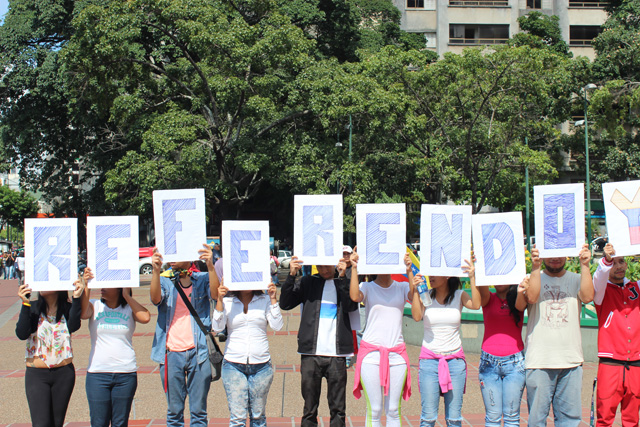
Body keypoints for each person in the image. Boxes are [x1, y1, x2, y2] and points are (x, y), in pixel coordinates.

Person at [279, 255, 358, 427]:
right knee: (309, 409)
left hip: (336, 354)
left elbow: (351, 306)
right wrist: (291, 276)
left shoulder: (343, 280)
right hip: (311, 353)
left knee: (338, 410)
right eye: (319, 266)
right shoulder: (308, 282)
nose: (324, 270)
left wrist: (344, 278)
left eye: (327, 266)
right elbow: (285, 303)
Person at [149, 243, 219, 427]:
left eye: (176, 253)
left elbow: (215, 295)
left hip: (199, 353)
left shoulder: (203, 278)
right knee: (174, 413)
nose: (171, 257)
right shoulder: (165, 281)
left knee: (199, 413)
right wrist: (156, 272)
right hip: (171, 353)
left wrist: (211, 266)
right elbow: (156, 299)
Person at [524, 244, 594, 427]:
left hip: (570, 360)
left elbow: (587, 297)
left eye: (560, 254)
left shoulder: (577, 279)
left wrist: (585, 265)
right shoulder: (532, 277)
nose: (555, 258)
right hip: (540, 360)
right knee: (536, 420)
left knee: (569, 421)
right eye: (551, 254)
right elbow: (531, 298)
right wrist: (535, 267)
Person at [410, 257, 481, 427]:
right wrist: (414, 290)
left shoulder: (459, 295)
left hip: (455, 361)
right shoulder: (425, 296)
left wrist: (472, 277)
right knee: (428, 418)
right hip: (429, 362)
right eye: (430, 273)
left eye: (435, 273)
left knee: (454, 418)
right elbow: (416, 316)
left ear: (448, 275)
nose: (431, 277)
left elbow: (476, 304)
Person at [349, 249, 415, 427]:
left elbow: (414, 297)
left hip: (397, 354)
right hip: (371, 354)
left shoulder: (401, 287)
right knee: (375, 409)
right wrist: (354, 268)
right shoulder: (367, 287)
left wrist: (409, 270)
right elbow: (355, 296)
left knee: (393, 409)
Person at [80, 267, 151, 427]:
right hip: (98, 373)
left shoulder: (129, 309)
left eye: (107, 284)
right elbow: (83, 313)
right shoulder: (95, 305)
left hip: (125, 373)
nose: (102, 288)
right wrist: (86, 285)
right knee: (98, 423)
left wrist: (126, 295)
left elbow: (145, 317)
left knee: (120, 423)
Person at [15, 278, 86, 427]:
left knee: (56, 423)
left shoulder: (67, 308)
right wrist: (25, 303)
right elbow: (22, 333)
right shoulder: (33, 307)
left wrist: (77, 297)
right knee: (41, 423)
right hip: (37, 374)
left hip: (63, 373)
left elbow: (74, 325)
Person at [213, 280, 283, 427]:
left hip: (261, 365)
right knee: (237, 418)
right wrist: (219, 300)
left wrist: (273, 298)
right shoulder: (228, 301)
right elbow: (217, 328)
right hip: (233, 364)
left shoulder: (264, 300)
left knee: (258, 417)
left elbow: (277, 325)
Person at [591, 243, 640, 427]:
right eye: (614, 263)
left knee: (632, 419)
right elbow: (599, 277)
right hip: (610, 362)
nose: (618, 266)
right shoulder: (601, 291)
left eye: (622, 262)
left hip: (636, 362)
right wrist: (607, 260)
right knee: (604, 419)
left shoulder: (636, 287)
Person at [476, 274, 530, 427]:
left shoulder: (518, 299)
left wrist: (522, 286)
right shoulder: (488, 298)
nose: (499, 280)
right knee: (492, 417)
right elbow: (482, 287)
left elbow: (522, 303)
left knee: (512, 417)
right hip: (488, 363)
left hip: (515, 363)